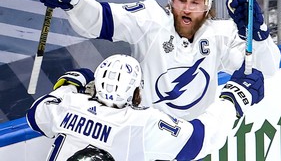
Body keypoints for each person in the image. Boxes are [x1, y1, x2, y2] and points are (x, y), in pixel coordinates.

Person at [35, 0, 280, 120]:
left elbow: (266, 68)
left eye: (196, 2)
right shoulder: (150, 20)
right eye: (181, 0)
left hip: (193, 141)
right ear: (171, 0)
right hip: (147, 135)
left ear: (207, 6)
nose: (187, 8)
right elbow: (99, 20)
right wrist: (73, 0)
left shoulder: (221, 34)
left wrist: (258, 36)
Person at [27, 54, 264, 161]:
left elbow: (35, 114)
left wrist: (71, 83)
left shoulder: (68, 106)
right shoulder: (139, 123)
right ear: (136, 93)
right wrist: (234, 97)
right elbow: (198, 141)